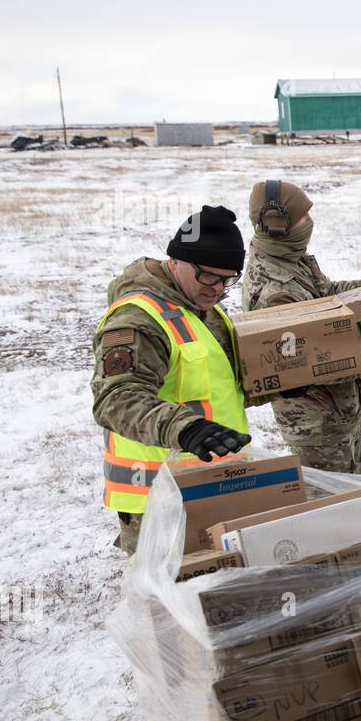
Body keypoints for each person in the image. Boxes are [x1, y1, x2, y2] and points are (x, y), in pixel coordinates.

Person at [92, 206, 256, 555]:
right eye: (209, 276)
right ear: (176, 260)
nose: (218, 289)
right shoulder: (136, 319)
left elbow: (213, 386)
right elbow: (116, 398)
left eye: (228, 280)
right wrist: (185, 429)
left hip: (208, 480)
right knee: (168, 603)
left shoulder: (200, 308)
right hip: (155, 497)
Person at [240, 179, 361, 474]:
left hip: (336, 417)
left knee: (358, 503)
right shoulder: (276, 291)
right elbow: (310, 361)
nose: (309, 223)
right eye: (303, 218)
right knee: (336, 512)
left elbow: (327, 293)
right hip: (316, 428)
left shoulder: (288, 257)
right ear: (278, 224)